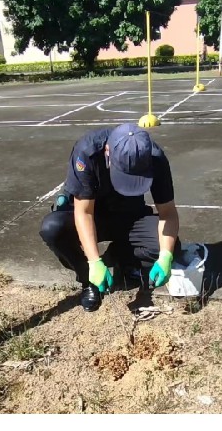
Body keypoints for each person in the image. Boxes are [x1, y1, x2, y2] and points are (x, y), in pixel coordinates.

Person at [39, 123, 181, 312]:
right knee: (52, 228)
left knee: (171, 245)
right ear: (108, 152)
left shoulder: (155, 157)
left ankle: (118, 256)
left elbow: (168, 213)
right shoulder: (87, 152)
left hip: (130, 216)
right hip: (94, 215)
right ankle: (87, 278)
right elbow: (84, 212)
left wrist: (165, 257)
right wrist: (94, 262)